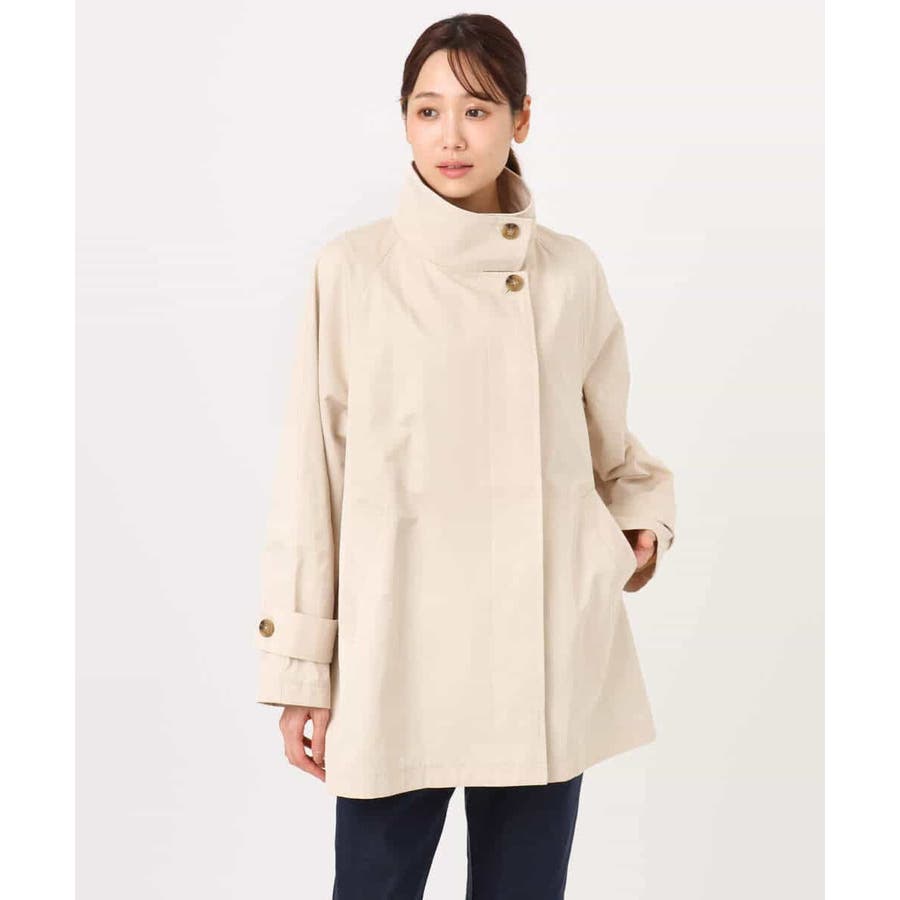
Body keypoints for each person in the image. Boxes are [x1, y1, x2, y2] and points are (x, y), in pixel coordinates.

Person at [253, 13, 676, 899]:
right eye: (428, 109)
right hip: (394, 648)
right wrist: (301, 669)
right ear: (404, 120)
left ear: (522, 119)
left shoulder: (570, 273)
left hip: (543, 644)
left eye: (478, 110)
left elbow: (610, 449)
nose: (451, 135)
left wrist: (639, 522)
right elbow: (311, 480)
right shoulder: (353, 272)